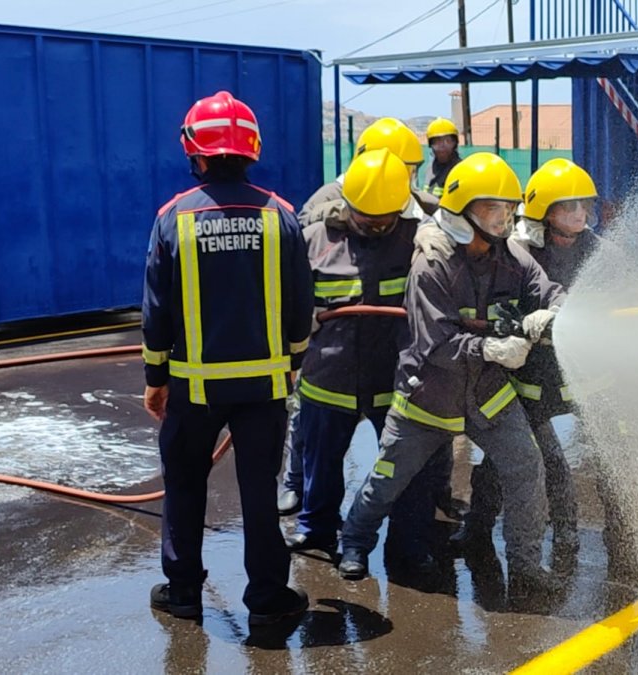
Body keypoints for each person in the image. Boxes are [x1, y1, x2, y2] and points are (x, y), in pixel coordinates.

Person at [337, 153, 563, 601]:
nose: (502, 220)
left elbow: (547, 289)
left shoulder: (511, 257)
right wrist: (490, 348)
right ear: (461, 211)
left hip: (487, 391)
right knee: (387, 479)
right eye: (490, 209)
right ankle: (355, 544)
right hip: (429, 394)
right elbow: (435, 345)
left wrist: (554, 311)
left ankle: (526, 566)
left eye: (507, 210)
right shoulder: (433, 265)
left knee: (526, 466)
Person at [142, 90, 313, 625]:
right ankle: (267, 600)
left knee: (185, 486)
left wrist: (155, 377)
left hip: (193, 389)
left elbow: (156, 310)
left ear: (194, 151)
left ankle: (183, 593)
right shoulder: (281, 215)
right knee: (260, 493)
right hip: (264, 389)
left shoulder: (173, 218)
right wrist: (292, 363)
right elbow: (301, 304)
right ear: (251, 149)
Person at [284, 148, 449, 576]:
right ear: (347, 204)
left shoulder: (418, 238)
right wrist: (299, 320)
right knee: (321, 463)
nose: (374, 227)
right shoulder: (314, 239)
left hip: (395, 380)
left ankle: (408, 545)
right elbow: (286, 297)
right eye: (364, 219)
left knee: (406, 469)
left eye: (384, 220)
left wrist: (436, 244)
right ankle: (317, 529)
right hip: (328, 377)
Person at [450, 159, 597, 570]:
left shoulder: (597, 249)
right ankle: (480, 529)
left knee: (542, 460)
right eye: (568, 207)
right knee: (532, 459)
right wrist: (519, 326)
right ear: (544, 212)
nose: (579, 215)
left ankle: (565, 533)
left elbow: (619, 290)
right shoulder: (519, 249)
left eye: (583, 206)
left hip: (571, 375)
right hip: (524, 375)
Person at [422, 117, 463, 198]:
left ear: (455, 143)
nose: (442, 147)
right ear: (431, 145)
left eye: (447, 141)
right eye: (437, 142)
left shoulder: (461, 169)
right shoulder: (430, 169)